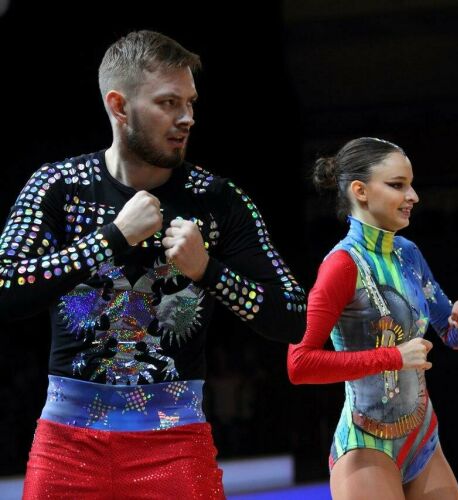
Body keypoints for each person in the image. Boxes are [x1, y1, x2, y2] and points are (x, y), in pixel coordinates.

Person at [0, 30, 307, 498]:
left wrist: (210, 272)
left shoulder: (218, 200)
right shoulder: (58, 186)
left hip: (176, 447)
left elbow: (296, 316)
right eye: (168, 103)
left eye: (190, 103)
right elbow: (5, 287)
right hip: (65, 449)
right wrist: (111, 237)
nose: (187, 118)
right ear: (119, 106)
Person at [287, 137, 458, 500]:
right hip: (366, 444)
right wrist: (391, 357)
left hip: (423, 437)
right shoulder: (341, 266)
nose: (413, 196)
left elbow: (451, 336)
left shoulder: (408, 254)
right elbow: (299, 364)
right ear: (360, 191)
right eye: (397, 185)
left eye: (411, 184)